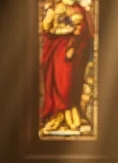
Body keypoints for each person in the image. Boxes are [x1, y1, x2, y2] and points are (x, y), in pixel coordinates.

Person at [40, 0, 95, 134]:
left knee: (66, 83)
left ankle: (71, 118)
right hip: (55, 47)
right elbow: (46, 28)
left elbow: (83, 32)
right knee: (55, 80)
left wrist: (73, 46)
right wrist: (49, 17)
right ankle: (58, 117)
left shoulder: (78, 10)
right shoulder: (54, 8)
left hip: (70, 50)